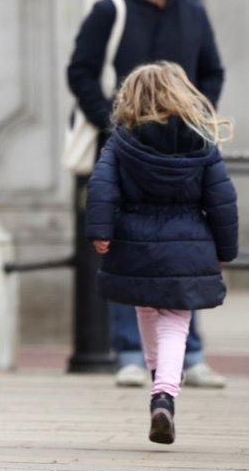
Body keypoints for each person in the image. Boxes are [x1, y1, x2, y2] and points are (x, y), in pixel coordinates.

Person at [67, 0, 227, 388]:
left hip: (182, 156)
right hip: (124, 153)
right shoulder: (110, 9)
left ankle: (189, 354)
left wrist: (195, 120)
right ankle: (131, 352)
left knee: (185, 246)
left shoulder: (193, 14)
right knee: (125, 247)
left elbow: (212, 72)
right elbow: (81, 72)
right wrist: (114, 124)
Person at [86, 61, 237, 444]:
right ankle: (164, 394)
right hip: (187, 243)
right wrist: (226, 247)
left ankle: (159, 381)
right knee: (175, 322)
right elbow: (222, 201)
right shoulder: (201, 142)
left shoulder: (121, 142)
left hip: (134, 240)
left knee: (147, 309)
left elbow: (102, 188)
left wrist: (100, 231)